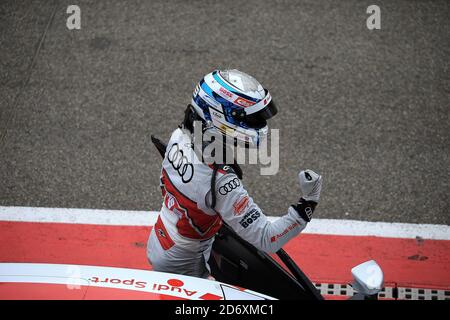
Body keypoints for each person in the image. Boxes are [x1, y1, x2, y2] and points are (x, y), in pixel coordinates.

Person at [147, 69, 322, 278]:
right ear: (218, 116)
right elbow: (268, 239)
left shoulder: (180, 135)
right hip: (186, 262)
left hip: (163, 236)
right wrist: (308, 203)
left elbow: (166, 186)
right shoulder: (221, 181)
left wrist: (203, 211)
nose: (256, 124)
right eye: (249, 119)